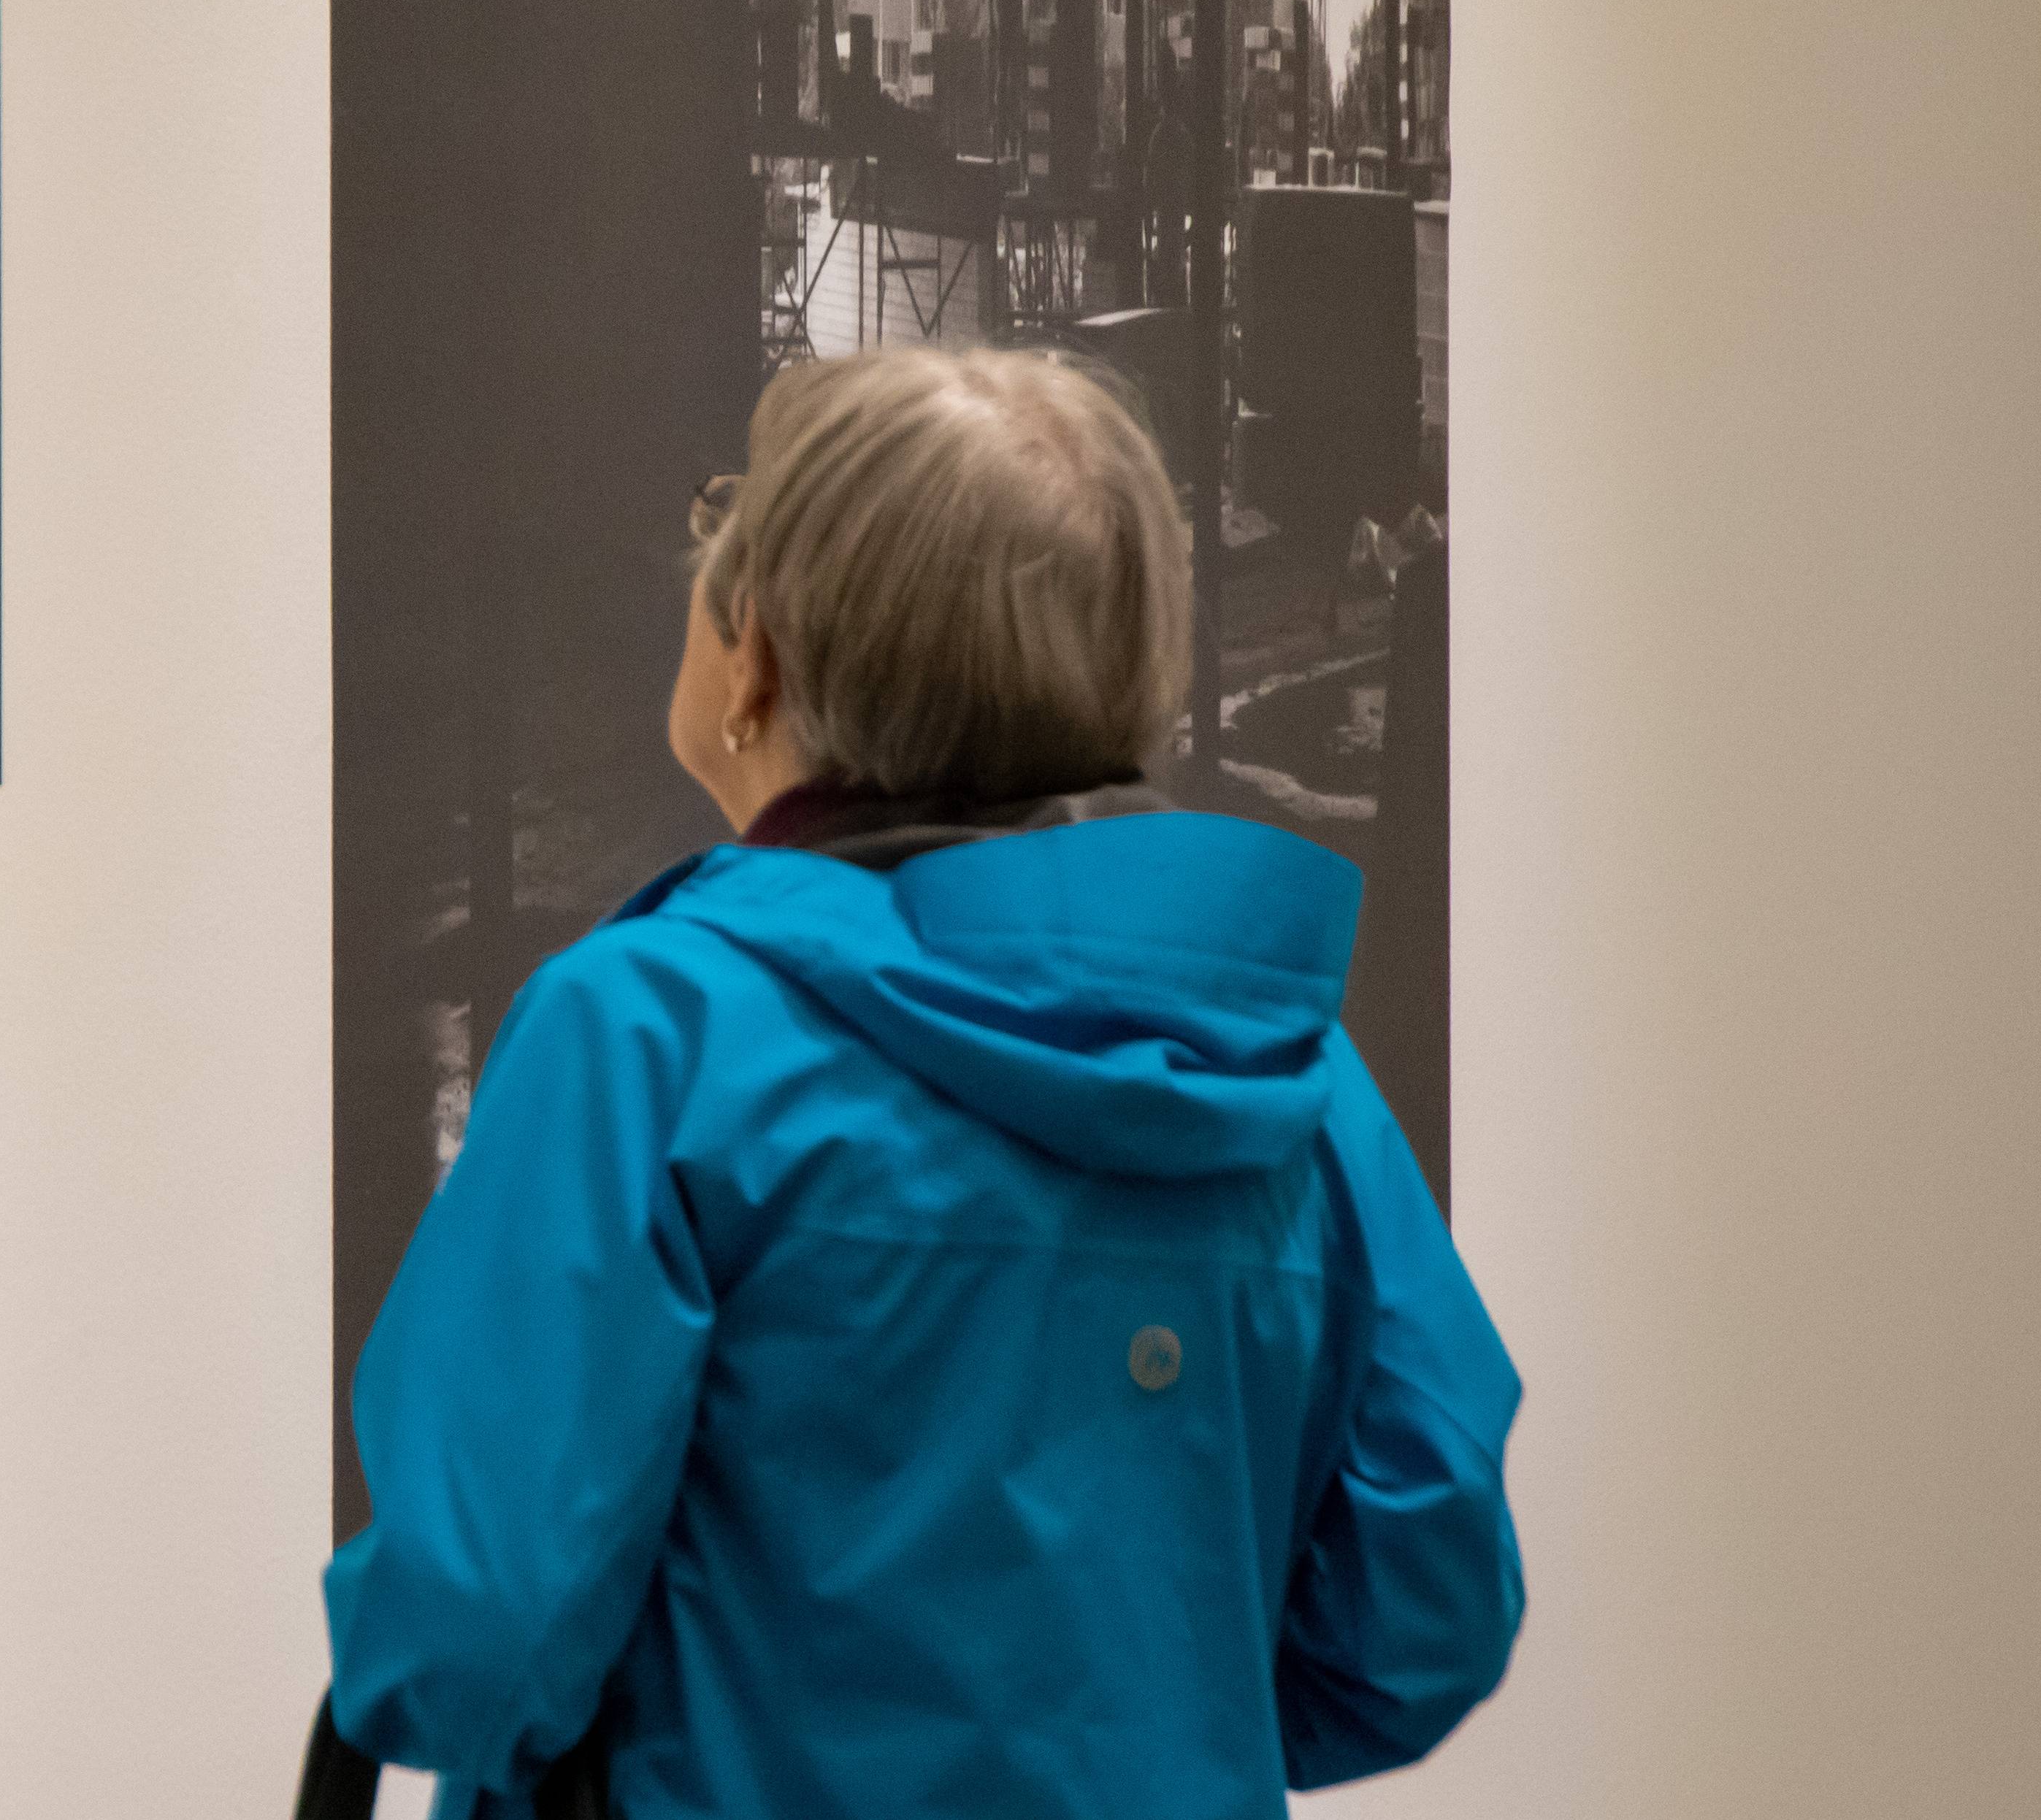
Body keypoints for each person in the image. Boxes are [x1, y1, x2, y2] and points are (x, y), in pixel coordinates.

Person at [322, 347, 1523, 1819]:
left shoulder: (645, 1036)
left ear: (762, 649)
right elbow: (1425, 1612)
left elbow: (474, 1642)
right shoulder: (1291, 1073)